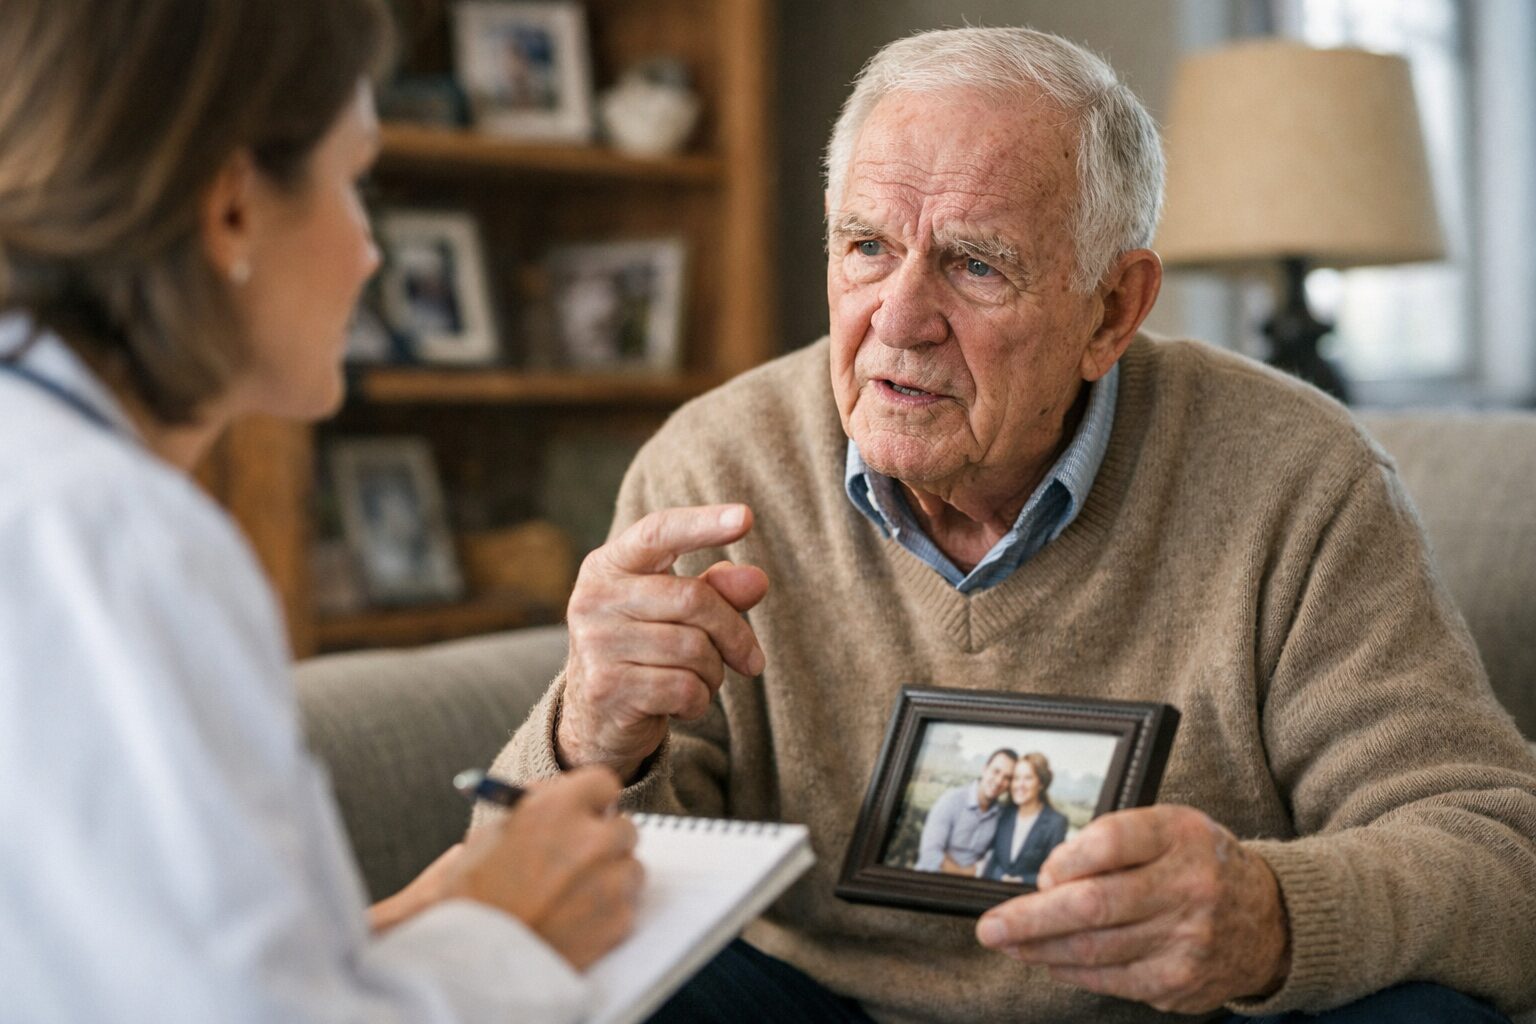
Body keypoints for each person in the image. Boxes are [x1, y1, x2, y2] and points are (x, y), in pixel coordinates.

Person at [485, 25, 1536, 1024]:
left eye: (975, 265)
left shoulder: (1297, 476)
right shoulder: (713, 464)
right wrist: (587, 739)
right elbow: (505, 917)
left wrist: (1271, 915)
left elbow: (1500, 852)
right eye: (865, 246)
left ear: (1113, 311)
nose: (898, 319)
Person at [0, 1, 641, 1020]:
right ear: (234, 209)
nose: (373, 253)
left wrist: (413, 920)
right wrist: (509, 940)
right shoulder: (114, 536)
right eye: (354, 183)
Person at [914, 747, 1016, 874]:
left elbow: (993, 858)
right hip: (929, 880)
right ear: (984, 769)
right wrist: (966, 873)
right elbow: (930, 855)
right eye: (996, 771)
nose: (999, 781)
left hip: (970, 889)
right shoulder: (951, 800)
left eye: (1007, 778)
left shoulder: (1001, 814)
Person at [980, 753, 1069, 886]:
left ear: (1041, 784)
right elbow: (994, 860)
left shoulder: (1056, 823)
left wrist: (1022, 881)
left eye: (1028, 778)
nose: (1020, 785)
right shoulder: (1004, 813)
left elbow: (1055, 872)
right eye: (1016, 778)